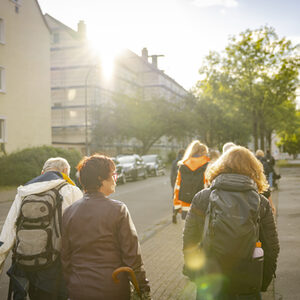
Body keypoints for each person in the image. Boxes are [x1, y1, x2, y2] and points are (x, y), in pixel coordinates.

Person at [183, 146, 279, 300]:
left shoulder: (202, 198)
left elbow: (189, 240)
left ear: (220, 167)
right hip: (248, 281)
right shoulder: (261, 202)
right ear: (254, 170)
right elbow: (272, 246)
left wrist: (194, 273)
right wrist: (263, 280)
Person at [61, 154, 151, 300]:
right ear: (100, 179)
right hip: (113, 288)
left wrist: (72, 283)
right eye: (113, 175)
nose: (116, 179)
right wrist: (142, 287)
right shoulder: (118, 210)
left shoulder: (69, 212)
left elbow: (65, 258)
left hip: (78, 289)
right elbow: (132, 256)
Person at [0, 157, 83, 300]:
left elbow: (8, 230)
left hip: (26, 265)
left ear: (42, 172)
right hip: (55, 266)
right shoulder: (70, 190)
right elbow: (81, 231)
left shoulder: (24, 191)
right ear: (64, 172)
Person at [173, 141, 210, 220]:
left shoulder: (183, 165)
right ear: (204, 152)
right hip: (202, 207)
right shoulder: (207, 165)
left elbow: (177, 187)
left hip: (185, 206)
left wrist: (177, 206)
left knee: (187, 231)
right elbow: (208, 186)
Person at [170, 149, 185, 224]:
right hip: (183, 183)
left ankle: (174, 214)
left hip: (175, 183)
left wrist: (172, 184)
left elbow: (172, 174)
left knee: (175, 200)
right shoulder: (185, 160)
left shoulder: (174, 162)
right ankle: (183, 215)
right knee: (183, 199)